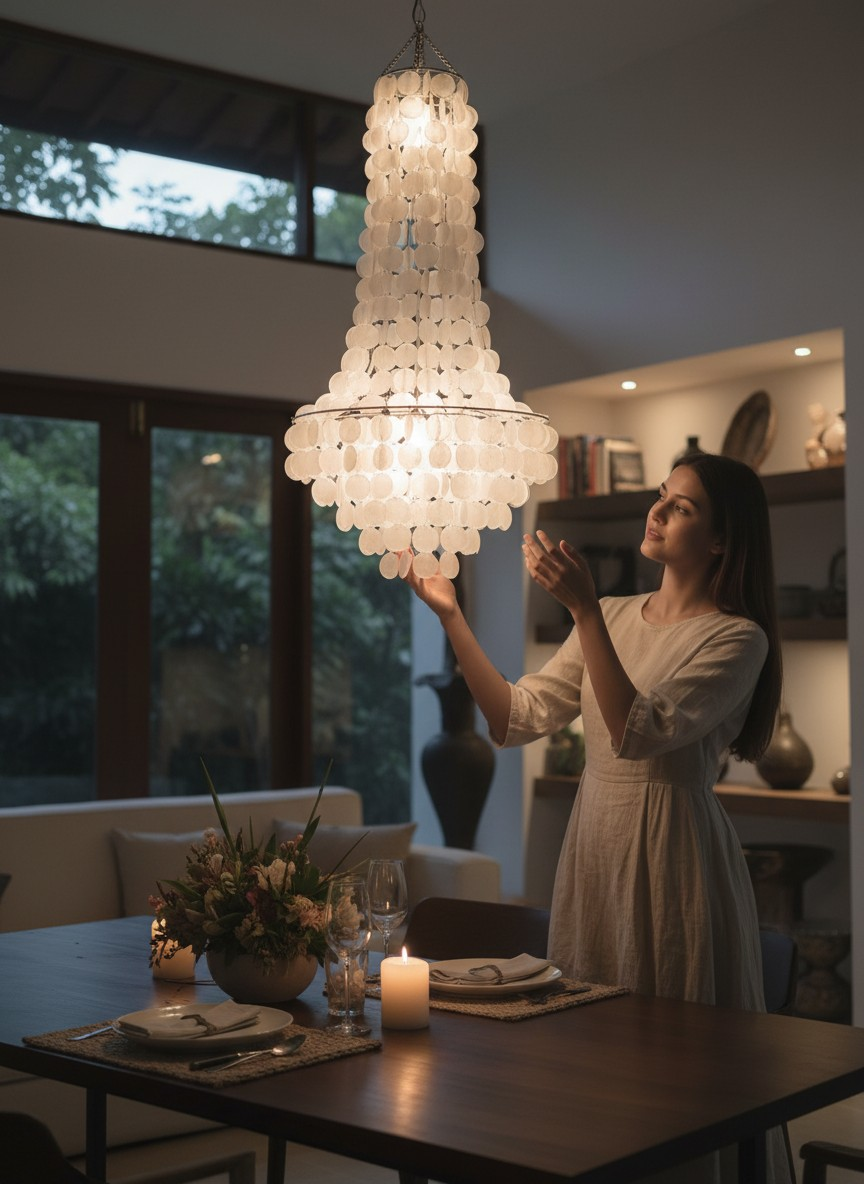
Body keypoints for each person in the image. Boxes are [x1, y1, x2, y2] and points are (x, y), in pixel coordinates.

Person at [405, 452, 789, 1182]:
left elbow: (636, 731)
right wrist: (453, 617)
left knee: (669, 1065)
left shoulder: (737, 637)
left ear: (720, 539)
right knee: (587, 1064)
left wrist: (582, 608)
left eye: (681, 506)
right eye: (661, 497)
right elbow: (513, 720)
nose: (658, 511)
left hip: (675, 854)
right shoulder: (612, 616)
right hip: (595, 849)